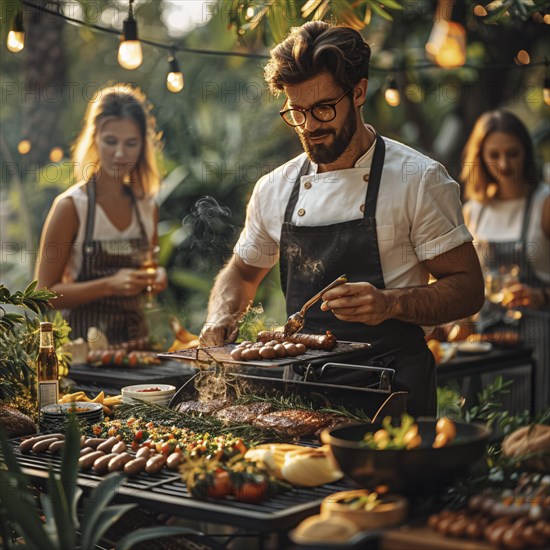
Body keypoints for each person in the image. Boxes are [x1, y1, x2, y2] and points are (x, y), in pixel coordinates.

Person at [199, 22, 484, 417]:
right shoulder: (274, 188)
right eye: (297, 112)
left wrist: (390, 304)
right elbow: (243, 274)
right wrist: (219, 317)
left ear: (359, 92)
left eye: (323, 109)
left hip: (391, 393)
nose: (310, 126)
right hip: (299, 400)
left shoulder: (418, 180)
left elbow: (469, 289)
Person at [36, 84, 167, 346]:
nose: (120, 154)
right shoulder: (72, 207)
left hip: (136, 348)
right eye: (110, 141)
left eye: (131, 143)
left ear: (143, 146)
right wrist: (109, 285)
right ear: (94, 139)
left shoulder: (146, 207)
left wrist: (156, 278)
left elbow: (147, 269)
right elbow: (43, 295)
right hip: (82, 354)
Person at [461, 110, 550, 411]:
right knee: (486, 422)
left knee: (531, 429)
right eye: (494, 154)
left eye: (512, 153)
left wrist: (542, 295)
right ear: (480, 157)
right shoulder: (474, 210)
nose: (504, 164)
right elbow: (465, 276)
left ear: (526, 152)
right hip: (485, 337)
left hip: (536, 338)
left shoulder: (543, 203)